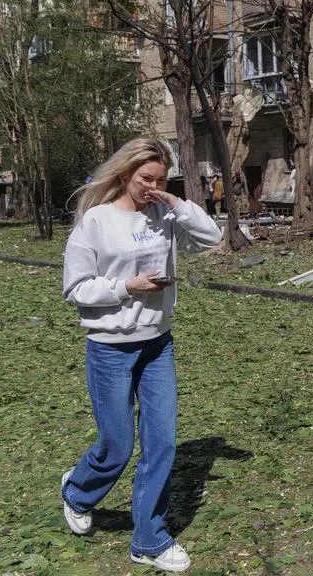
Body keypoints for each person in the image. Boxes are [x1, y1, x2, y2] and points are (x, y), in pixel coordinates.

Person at [60, 137, 221, 573]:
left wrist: (176, 202)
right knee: (117, 445)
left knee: (162, 442)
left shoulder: (164, 214)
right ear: (125, 173)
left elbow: (211, 237)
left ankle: (148, 539)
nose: (152, 186)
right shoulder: (96, 221)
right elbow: (75, 289)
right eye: (145, 178)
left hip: (157, 344)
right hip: (110, 348)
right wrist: (127, 287)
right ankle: (77, 491)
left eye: (161, 180)